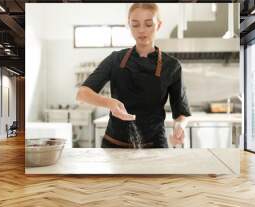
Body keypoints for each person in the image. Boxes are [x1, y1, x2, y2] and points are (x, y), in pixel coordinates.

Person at [76, 3, 191, 148]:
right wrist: (109, 103)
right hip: (114, 146)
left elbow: (181, 112)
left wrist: (180, 125)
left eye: (148, 24)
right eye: (135, 25)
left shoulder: (172, 66)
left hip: (154, 146)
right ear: (129, 26)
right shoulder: (115, 59)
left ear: (159, 25)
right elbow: (82, 94)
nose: (141, 30)